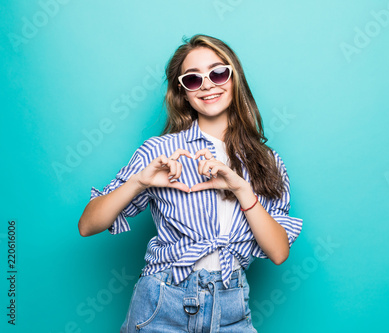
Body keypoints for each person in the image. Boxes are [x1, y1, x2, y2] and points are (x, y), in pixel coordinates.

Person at [78, 34, 302, 332]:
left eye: (218, 73)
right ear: (183, 92)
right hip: (162, 302)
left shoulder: (267, 162)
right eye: (193, 79)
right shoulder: (159, 152)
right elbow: (87, 225)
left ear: (234, 78)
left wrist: (242, 190)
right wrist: (140, 182)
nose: (208, 84)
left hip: (231, 305)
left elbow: (278, 253)